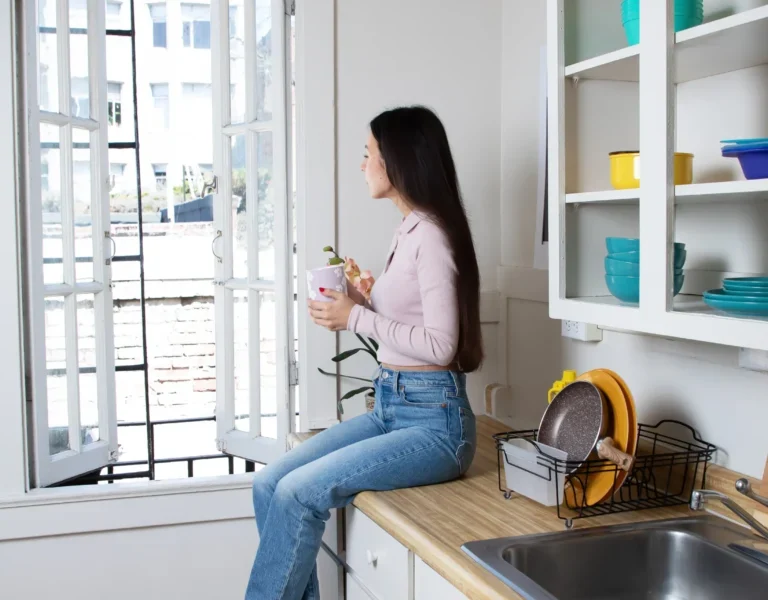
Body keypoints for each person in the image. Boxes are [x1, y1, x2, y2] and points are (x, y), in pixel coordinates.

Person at [245, 106, 484, 600]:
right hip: (391, 406)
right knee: (269, 484)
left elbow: (441, 345)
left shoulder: (432, 236)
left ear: (398, 160)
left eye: (368, 153)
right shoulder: (409, 228)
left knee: (297, 493)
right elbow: (411, 327)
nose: (363, 164)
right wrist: (362, 301)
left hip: (435, 425)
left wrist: (354, 317)